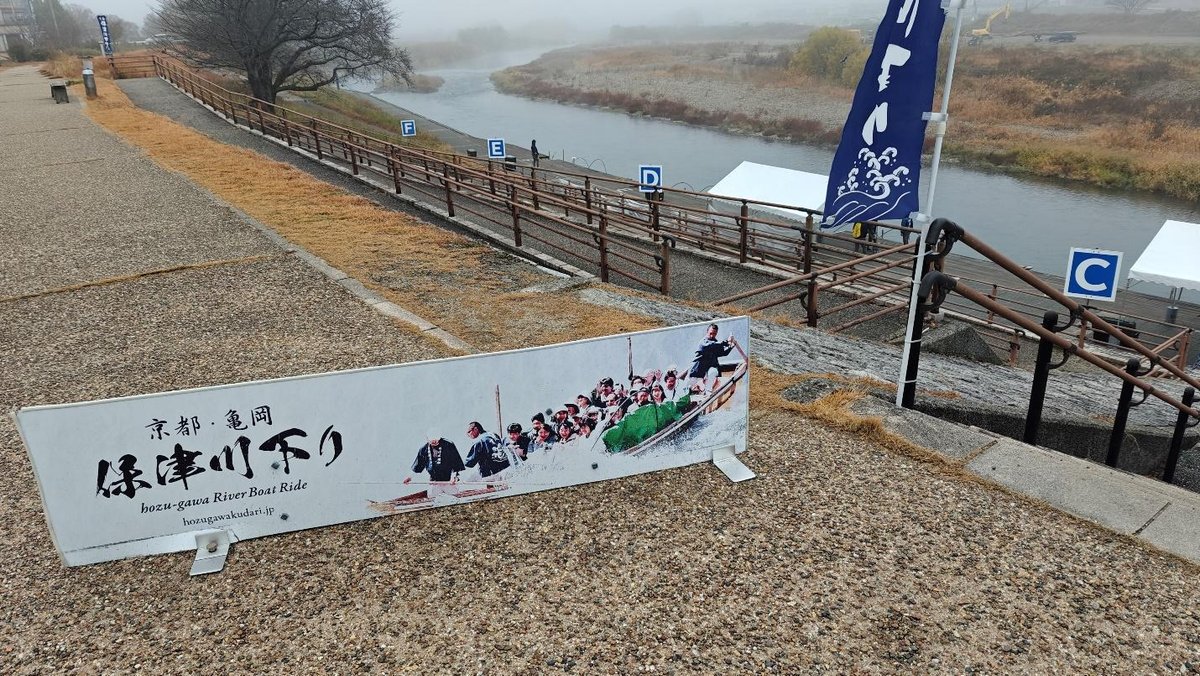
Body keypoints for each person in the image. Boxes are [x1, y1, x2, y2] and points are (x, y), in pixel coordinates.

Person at [688, 323, 734, 395]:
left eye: (714, 334)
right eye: (711, 333)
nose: (712, 335)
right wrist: (726, 342)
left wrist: (731, 346)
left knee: (713, 371)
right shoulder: (703, 342)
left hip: (705, 373)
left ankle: (708, 392)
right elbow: (711, 345)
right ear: (707, 332)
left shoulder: (716, 343)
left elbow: (723, 353)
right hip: (696, 373)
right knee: (695, 388)